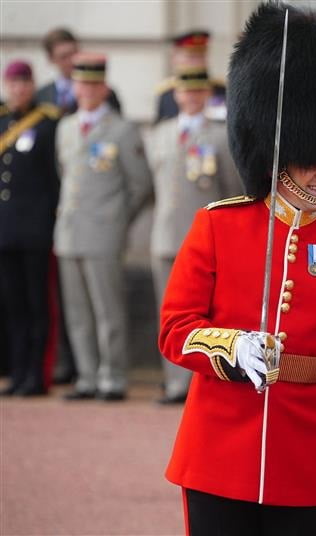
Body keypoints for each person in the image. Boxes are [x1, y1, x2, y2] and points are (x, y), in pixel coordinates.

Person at [157, 5, 316, 534]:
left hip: (303, 457)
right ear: (280, 152)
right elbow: (176, 330)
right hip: (218, 452)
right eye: (311, 156)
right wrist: (231, 347)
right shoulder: (218, 226)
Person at [55, 53, 152, 401]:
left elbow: (140, 184)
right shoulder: (65, 127)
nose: (87, 89)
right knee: (77, 312)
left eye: (94, 83)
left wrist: (117, 218)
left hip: (104, 233)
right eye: (82, 82)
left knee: (107, 310)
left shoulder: (122, 130)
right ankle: (86, 376)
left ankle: (112, 376)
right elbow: (66, 176)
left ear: (104, 87)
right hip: (68, 232)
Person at [147, 66, 242, 405]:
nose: (191, 97)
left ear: (206, 95)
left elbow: (232, 190)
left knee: (206, 313)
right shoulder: (159, 133)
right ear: (176, 94)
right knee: (169, 314)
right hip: (167, 235)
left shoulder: (220, 135)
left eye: (198, 91)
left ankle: (201, 380)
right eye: (186, 91)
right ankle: (174, 382)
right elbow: (148, 186)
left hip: (206, 241)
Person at [0, 61, 60, 396]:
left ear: (32, 85)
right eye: (13, 83)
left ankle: (37, 375)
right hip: (5, 231)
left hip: (36, 229)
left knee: (38, 305)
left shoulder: (48, 124)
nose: (19, 89)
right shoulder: (3, 121)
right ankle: (18, 371)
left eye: (24, 83)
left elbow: (53, 180)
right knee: (13, 305)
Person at [36, 28, 121, 115]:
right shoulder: (41, 95)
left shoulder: (103, 93)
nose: (71, 61)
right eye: (64, 57)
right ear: (51, 59)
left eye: (74, 54)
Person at [154, 30, 227, 123]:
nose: (197, 63)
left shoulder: (220, 90)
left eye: (201, 56)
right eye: (191, 57)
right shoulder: (167, 93)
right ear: (175, 59)